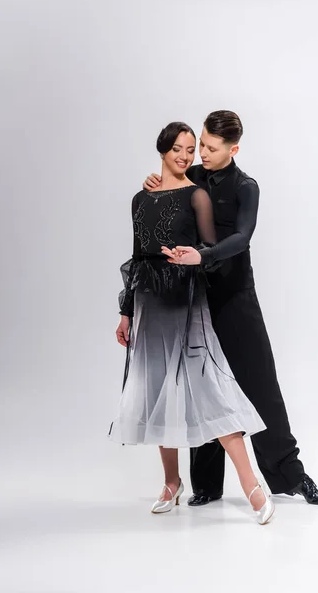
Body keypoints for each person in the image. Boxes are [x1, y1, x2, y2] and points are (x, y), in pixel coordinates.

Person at [144, 111, 318, 506]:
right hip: (194, 298)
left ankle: (292, 478)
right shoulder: (192, 175)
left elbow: (243, 237)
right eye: (202, 146)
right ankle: (206, 486)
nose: (203, 154)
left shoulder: (247, 187)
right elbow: (164, 201)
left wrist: (204, 254)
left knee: (261, 386)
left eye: (211, 149)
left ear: (234, 149)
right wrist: (154, 183)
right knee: (203, 388)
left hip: (235, 297)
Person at [109, 121, 275, 525]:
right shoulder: (140, 198)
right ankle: (171, 482)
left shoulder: (197, 195)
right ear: (162, 150)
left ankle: (252, 485)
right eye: (180, 149)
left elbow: (207, 250)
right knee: (156, 388)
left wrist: (194, 258)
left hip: (186, 299)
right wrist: (126, 310)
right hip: (149, 303)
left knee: (211, 389)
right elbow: (135, 255)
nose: (186, 156)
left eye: (191, 149)